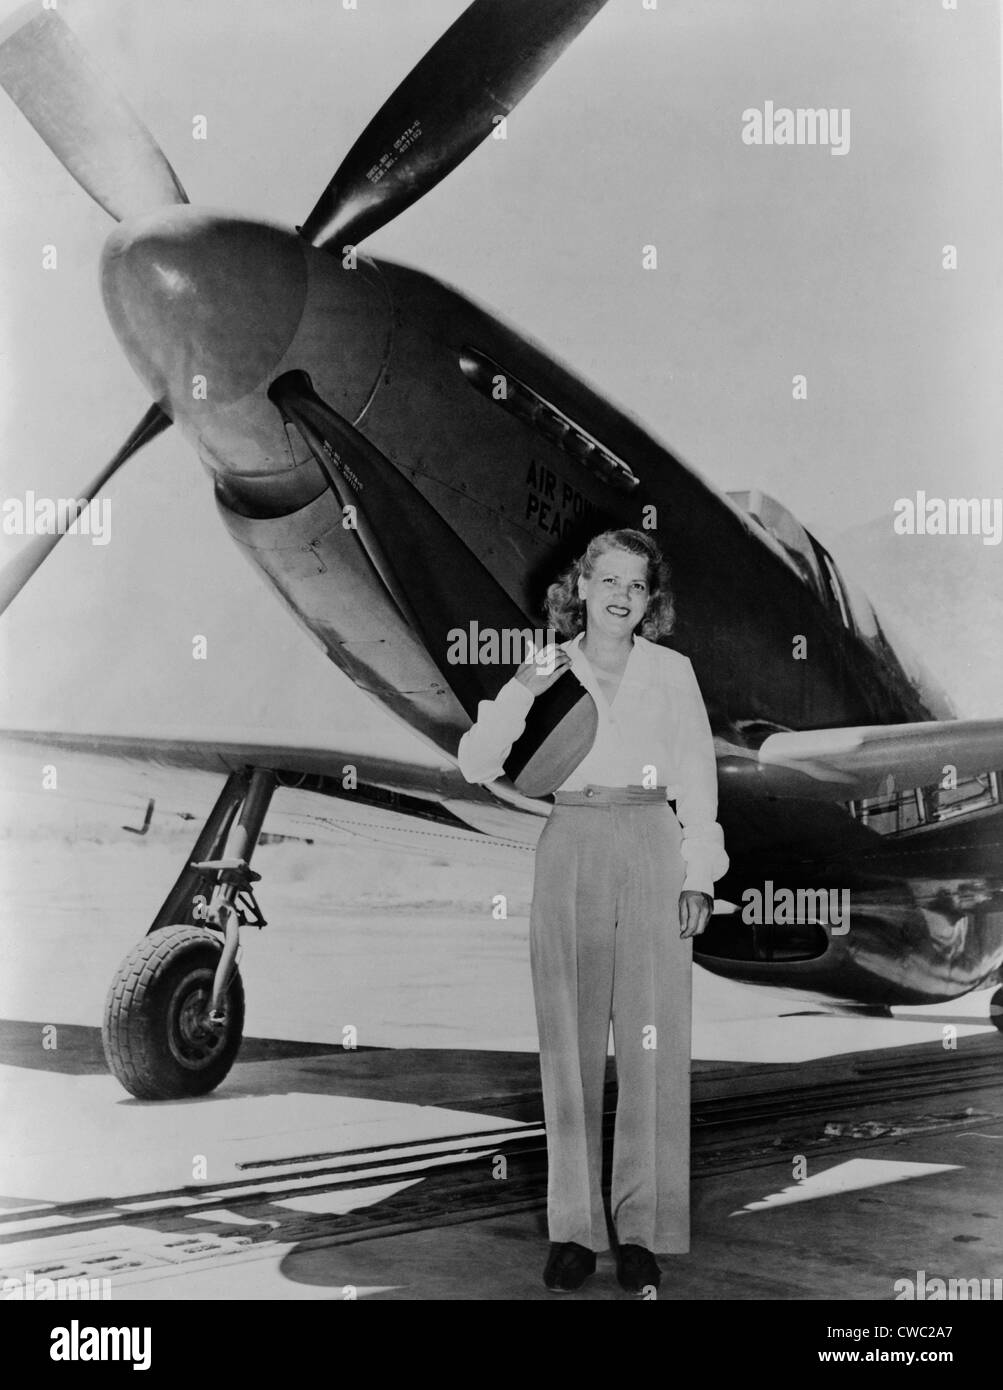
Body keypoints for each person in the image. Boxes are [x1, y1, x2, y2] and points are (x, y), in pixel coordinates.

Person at [457, 528, 727, 1294]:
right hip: (570, 837)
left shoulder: (672, 672)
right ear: (579, 587)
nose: (618, 596)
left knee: (651, 1043)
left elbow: (698, 783)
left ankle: (642, 1231)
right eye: (606, 580)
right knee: (566, 1045)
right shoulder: (549, 667)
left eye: (635, 586)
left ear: (651, 600)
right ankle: (573, 1231)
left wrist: (698, 874)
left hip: (651, 840)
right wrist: (521, 690)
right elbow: (476, 764)